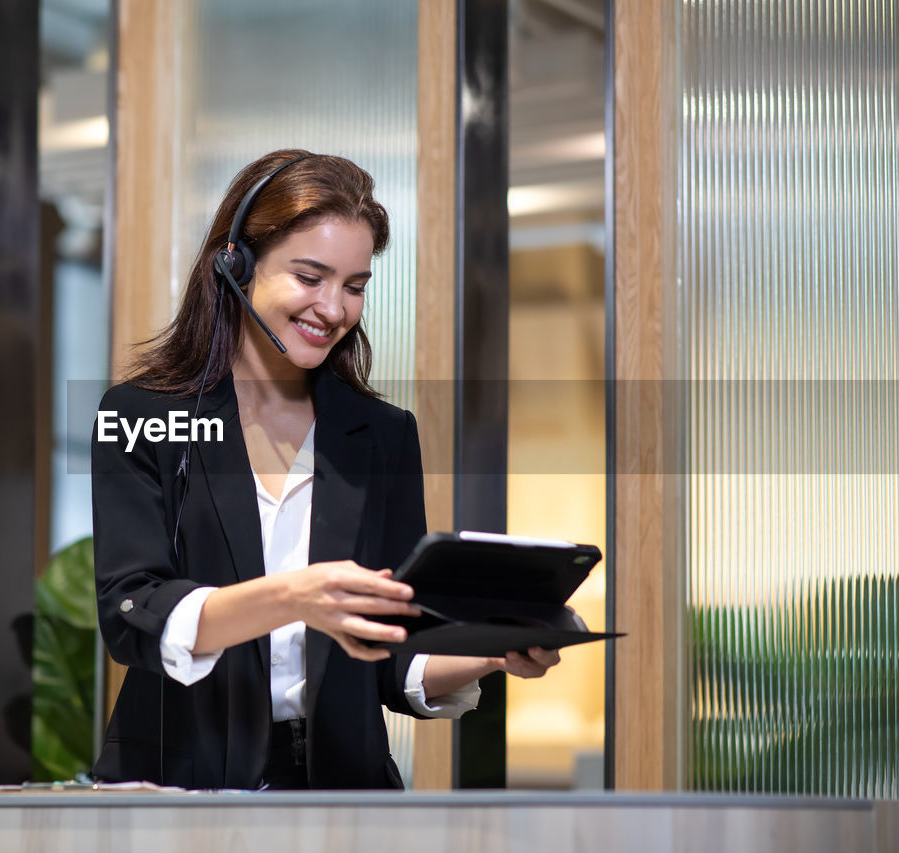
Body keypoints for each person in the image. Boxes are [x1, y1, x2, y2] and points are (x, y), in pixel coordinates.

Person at [90, 149, 560, 790]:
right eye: (310, 277)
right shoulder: (141, 416)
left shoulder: (382, 436)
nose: (334, 309)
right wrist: (295, 597)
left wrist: (490, 652)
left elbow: (392, 652)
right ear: (236, 265)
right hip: (181, 782)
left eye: (355, 286)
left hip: (344, 788)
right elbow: (131, 614)